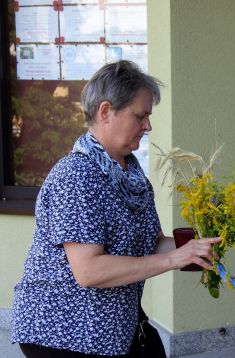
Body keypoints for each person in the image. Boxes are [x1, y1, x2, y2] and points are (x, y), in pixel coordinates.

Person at [11, 60, 221, 357]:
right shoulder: (76, 176)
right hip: (64, 333)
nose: (148, 126)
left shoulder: (132, 174)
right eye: (141, 116)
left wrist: (200, 243)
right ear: (106, 111)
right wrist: (176, 258)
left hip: (113, 328)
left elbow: (153, 243)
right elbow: (90, 271)